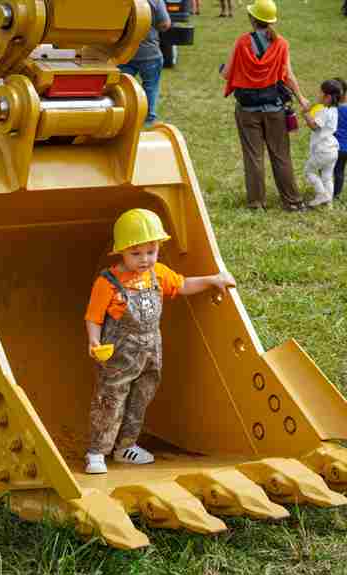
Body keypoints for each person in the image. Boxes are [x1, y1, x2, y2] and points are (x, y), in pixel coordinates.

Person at [84, 209, 236, 474]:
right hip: (119, 353)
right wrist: (94, 342)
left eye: (151, 252)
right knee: (110, 399)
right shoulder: (107, 282)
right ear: (121, 251)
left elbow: (183, 285)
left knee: (140, 398)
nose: (145, 260)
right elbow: (93, 317)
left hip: (151, 350)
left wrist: (213, 280)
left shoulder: (159, 273)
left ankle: (125, 447)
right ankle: (96, 452)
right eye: (136, 253)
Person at [220, 0, 310, 211]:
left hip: (247, 110)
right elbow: (288, 75)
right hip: (275, 109)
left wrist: (223, 68)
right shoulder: (281, 44)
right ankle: (293, 202)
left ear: (252, 19)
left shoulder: (242, 42)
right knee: (281, 156)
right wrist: (301, 97)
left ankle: (256, 204)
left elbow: (226, 74)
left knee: (254, 157)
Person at [118, 1, 171, 125]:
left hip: (124, 52)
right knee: (151, 87)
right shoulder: (155, 1)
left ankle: (123, 114)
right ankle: (149, 118)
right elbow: (165, 24)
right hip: (149, 53)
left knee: (121, 86)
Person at [302, 80, 342, 208]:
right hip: (333, 150)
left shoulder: (325, 111)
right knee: (327, 176)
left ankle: (321, 194)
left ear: (328, 97)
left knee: (309, 171)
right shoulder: (335, 110)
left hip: (323, 150)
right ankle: (329, 202)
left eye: (320, 92)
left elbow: (314, 126)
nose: (318, 95)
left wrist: (306, 113)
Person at [333, 78, 347, 200]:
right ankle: (336, 194)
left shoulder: (331, 110)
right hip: (345, 148)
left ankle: (326, 191)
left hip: (332, 147)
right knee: (340, 171)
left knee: (326, 170)